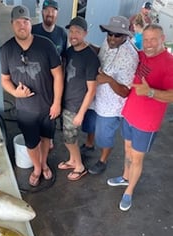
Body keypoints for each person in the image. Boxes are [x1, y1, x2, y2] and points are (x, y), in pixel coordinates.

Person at [107, 24, 173, 211]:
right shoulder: (140, 55)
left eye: (153, 39)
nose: (149, 44)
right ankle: (125, 177)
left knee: (137, 158)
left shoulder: (169, 62)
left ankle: (129, 191)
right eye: (145, 40)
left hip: (146, 123)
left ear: (163, 38)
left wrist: (151, 92)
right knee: (127, 150)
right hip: (129, 114)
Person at [0, 5, 63, 187]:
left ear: (31, 23)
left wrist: (57, 103)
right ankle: (36, 167)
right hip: (25, 109)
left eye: (26, 21)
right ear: (12, 24)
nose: (22, 25)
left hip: (47, 106)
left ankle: (44, 164)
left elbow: (58, 74)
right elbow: (4, 79)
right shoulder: (6, 50)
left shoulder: (46, 45)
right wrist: (14, 92)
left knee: (45, 139)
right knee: (31, 142)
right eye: (18, 22)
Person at [83, 16, 139, 175]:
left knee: (104, 135)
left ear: (126, 36)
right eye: (110, 33)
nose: (112, 38)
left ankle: (103, 160)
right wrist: (88, 45)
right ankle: (88, 144)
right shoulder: (107, 42)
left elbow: (125, 91)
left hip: (110, 105)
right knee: (90, 123)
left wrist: (108, 79)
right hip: (96, 95)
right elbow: (103, 53)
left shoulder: (130, 57)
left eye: (117, 35)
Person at [58, 16, 100, 181]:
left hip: (76, 105)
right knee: (68, 136)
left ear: (85, 33)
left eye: (78, 31)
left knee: (69, 138)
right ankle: (72, 160)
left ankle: (80, 166)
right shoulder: (69, 51)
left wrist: (81, 113)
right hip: (65, 100)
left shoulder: (90, 58)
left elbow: (92, 89)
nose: (73, 35)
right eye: (71, 31)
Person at [32, 0, 67, 149]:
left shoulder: (61, 33)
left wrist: (63, 79)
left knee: (53, 109)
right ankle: (36, 135)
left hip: (54, 80)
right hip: (35, 78)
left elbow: (64, 57)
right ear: (41, 12)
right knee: (35, 109)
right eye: (47, 10)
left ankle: (49, 137)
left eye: (53, 10)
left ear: (57, 13)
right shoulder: (33, 30)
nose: (50, 13)